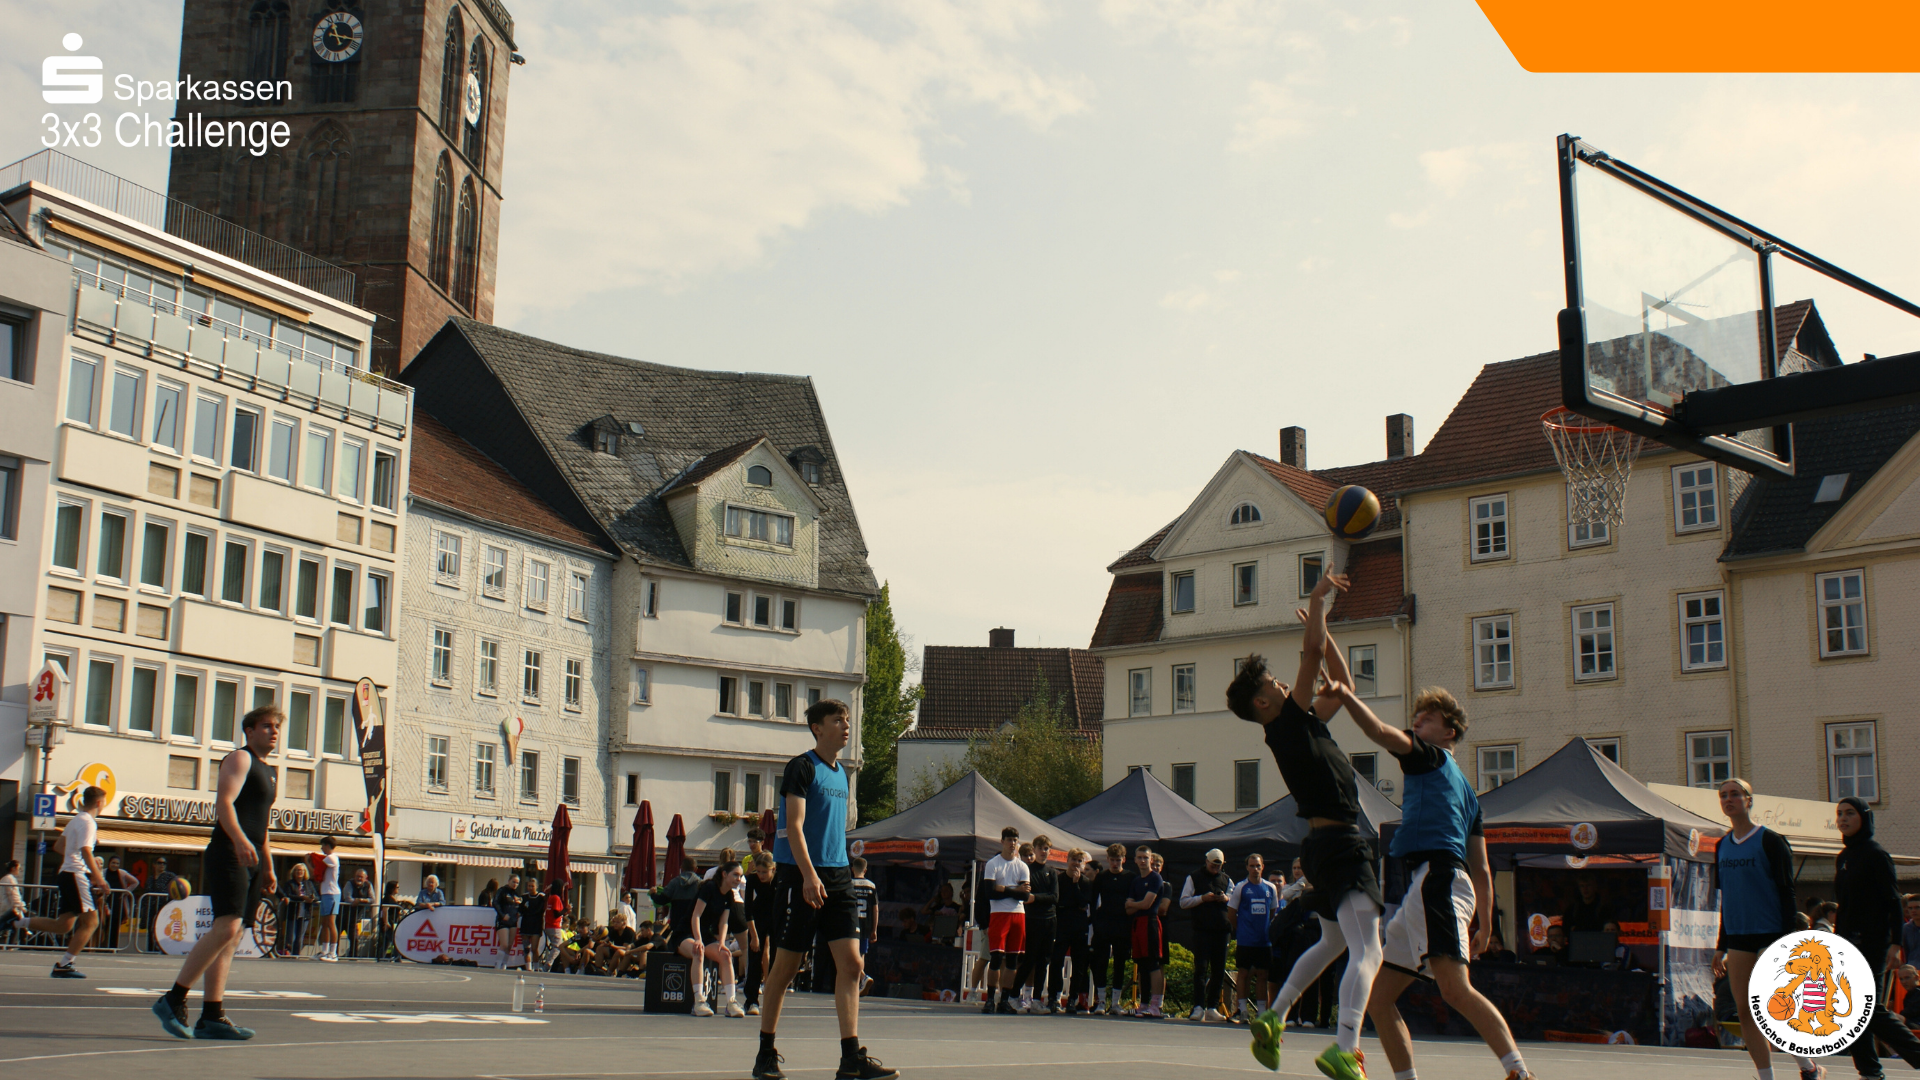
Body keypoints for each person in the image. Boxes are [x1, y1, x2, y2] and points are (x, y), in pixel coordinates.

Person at [1330, 678, 1533, 1080]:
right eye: (1416, 716)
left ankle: (1519, 1072)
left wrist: (1346, 695)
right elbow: (1483, 868)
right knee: (1380, 998)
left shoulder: (1429, 757)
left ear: (1449, 732)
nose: (1418, 720)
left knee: (1455, 989)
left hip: (1438, 881)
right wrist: (1487, 921)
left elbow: (1377, 732)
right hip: (1425, 888)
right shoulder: (1470, 795)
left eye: (1428, 717)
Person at [1224, 569, 1379, 1080]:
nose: (1284, 683)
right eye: (1274, 683)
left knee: (1334, 942)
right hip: (1340, 843)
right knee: (1368, 950)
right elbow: (1309, 656)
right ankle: (1345, 1046)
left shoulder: (1303, 722)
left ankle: (1274, 1016)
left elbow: (1346, 685)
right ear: (1264, 703)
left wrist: (1326, 630)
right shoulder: (1286, 723)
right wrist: (1316, 602)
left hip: (1323, 843)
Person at [753, 698, 894, 1080]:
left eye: (847, 719)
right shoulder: (802, 767)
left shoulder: (842, 775)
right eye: (838, 720)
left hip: (839, 875)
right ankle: (765, 1053)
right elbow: (795, 827)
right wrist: (809, 875)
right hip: (801, 876)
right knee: (787, 966)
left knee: (852, 964)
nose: (846, 725)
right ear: (818, 727)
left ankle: (851, 1058)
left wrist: (833, 873)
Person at [148, 705, 281, 1039]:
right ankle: (173, 998)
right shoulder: (240, 759)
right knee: (228, 926)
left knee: (235, 936)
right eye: (266, 726)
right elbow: (224, 804)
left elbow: (262, 825)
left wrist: (268, 866)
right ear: (249, 731)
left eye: (277, 726)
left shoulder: (270, 771)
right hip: (228, 851)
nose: (274, 731)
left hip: (252, 856)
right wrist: (237, 840)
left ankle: (212, 1016)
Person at [1707, 777, 1822, 1080]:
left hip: (1771, 934)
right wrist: (1721, 945)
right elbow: (1726, 899)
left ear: (1749, 800)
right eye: (1723, 795)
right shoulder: (1721, 846)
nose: (1728, 799)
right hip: (1739, 936)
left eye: (1735, 794)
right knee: (1745, 1010)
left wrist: (1785, 941)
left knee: (1774, 1007)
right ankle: (1767, 1076)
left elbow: (1787, 893)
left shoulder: (1770, 840)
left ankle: (1808, 1067)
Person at [1834, 796, 1920, 1079]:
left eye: (1850, 813)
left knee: (1867, 1008)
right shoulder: (1843, 857)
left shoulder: (1875, 854)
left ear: (1864, 818)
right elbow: (1844, 906)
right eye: (1840, 814)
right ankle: (1869, 1071)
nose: (1843, 819)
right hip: (1847, 943)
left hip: (1873, 942)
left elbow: (1893, 902)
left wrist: (1895, 943)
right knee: (1851, 1011)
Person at [1, 786, 109, 978]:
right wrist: (99, 878)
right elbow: (86, 850)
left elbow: (59, 846)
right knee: (92, 922)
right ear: (100, 803)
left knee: (64, 925)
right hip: (76, 875)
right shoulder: (89, 822)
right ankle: (65, 964)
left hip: (66, 873)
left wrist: (71, 856)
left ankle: (17, 922)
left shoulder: (76, 819)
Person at [982, 826, 1031, 1015]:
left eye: (1015, 840)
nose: (1012, 844)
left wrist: (1004, 889)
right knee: (995, 958)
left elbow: (1025, 897)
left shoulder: (1022, 866)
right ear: (1002, 841)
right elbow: (990, 893)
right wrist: (1014, 891)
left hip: (1018, 915)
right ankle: (989, 999)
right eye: (1009, 840)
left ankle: (1005, 999)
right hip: (999, 915)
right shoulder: (993, 864)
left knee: (1012, 959)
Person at [686, 861, 745, 1015]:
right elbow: (696, 916)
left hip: (706, 935)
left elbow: (724, 922)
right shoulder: (709, 888)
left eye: (741, 876)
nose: (739, 879)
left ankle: (731, 1003)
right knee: (698, 951)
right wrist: (698, 939)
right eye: (735, 875)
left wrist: (721, 942)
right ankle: (699, 1002)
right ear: (725, 874)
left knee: (726, 955)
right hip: (686, 933)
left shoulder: (730, 895)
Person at [1180, 848, 1233, 1022]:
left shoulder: (1227, 880)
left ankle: (1212, 1007)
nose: (1216, 867)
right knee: (1201, 969)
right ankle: (1198, 1006)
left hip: (1221, 930)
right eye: (1213, 864)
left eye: (1219, 864)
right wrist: (1202, 898)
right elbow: (1183, 901)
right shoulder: (1194, 877)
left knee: (1218, 970)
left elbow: (1235, 900)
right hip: (1202, 930)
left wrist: (1225, 899)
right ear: (1206, 861)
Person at [1228, 853, 1276, 1022]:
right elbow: (1232, 912)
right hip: (1245, 940)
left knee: (1263, 974)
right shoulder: (1242, 887)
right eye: (1252, 865)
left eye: (1258, 865)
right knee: (1243, 973)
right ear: (1247, 867)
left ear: (1263, 867)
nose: (1255, 869)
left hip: (1264, 940)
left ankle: (1262, 1011)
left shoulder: (1270, 888)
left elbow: (1272, 912)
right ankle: (1242, 1010)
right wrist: (1241, 929)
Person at [1015, 837, 1060, 1013]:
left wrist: (1036, 898)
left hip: (1050, 920)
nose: (1043, 851)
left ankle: (1036, 999)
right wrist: (1036, 898)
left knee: (1043, 962)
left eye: (1047, 848)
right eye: (1040, 848)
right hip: (1032, 920)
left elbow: (1054, 898)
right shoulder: (1027, 870)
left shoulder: (1052, 872)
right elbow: (1025, 896)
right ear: (1034, 849)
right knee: (1028, 961)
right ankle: (1013, 996)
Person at [1090, 843, 1133, 1015]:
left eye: (1118, 860)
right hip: (1104, 924)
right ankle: (1101, 1001)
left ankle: (1115, 1003)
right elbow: (1093, 901)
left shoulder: (1130, 877)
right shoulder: (1102, 877)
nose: (1115, 863)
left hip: (1122, 924)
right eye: (1112, 860)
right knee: (1100, 963)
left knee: (1120, 964)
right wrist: (1095, 922)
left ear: (1124, 859)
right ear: (1107, 860)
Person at [1123, 845, 1167, 1017]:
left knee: (1153, 964)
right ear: (1135, 860)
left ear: (1151, 859)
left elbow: (1146, 904)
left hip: (1150, 922)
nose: (1142, 860)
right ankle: (1144, 1003)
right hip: (1137, 924)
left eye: (1145, 857)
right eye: (1139, 857)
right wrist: (1135, 905)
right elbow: (1127, 910)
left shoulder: (1155, 878)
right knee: (1141, 965)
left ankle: (1156, 1005)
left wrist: (1134, 904)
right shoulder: (1136, 881)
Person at [1054, 848, 1095, 1014]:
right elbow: (1058, 902)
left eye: (1080, 861)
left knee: (1079, 965)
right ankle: (1054, 997)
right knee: (1057, 962)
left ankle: (1072, 999)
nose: (1076, 864)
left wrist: (1076, 885)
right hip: (1062, 925)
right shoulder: (1059, 879)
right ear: (1067, 860)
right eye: (1074, 860)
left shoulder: (1085, 882)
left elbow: (1084, 903)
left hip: (1079, 926)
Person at [745, 852, 778, 1013]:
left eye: (764, 872)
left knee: (777, 960)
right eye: (758, 871)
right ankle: (752, 1000)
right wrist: (754, 936)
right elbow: (748, 910)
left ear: (773, 869)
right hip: (758, 918)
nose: (761, 875)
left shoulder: (780, 881)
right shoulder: (752, 879)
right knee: (755, 959)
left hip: (776, 918)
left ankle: (773, 999)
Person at [312, 836, 343, 962]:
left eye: (323, 845)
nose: (321, 848)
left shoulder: (332, 858)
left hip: (332, 893)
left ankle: (333, 952)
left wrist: (310, 860)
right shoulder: (328, 858)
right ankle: (324, 951)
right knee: (324, 923)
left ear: (327, 845)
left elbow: (318, 865)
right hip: (325, 893)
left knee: (331, 923)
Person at [277, 861, 317, 958]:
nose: (300, 872)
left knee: (300, 937)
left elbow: (317, 896)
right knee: (291, 937)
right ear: (294, 872)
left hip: (305, 914)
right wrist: (303, 898)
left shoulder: (309, 884)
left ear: (305, 872)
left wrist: (312, 898)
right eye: (298, 870)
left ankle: (296, 955)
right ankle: (288, 953)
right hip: (293, 913)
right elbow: (288, 895)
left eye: (302, 870)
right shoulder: (289, 884)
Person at [493, 875, 524, 969]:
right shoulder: (502, 891)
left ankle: (504, 964)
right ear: (509, 881)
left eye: (517, 883)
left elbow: (520, 907)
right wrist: (502, 915)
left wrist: (519, 912)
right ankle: (497, 964)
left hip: (513, 921)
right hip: (502, 921)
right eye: (513, 882)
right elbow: (495, 903)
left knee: (510, 945)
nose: (515, 884)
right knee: (504, 944)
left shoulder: (517, 894)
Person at [343, 867, 373, 959]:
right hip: (343, 914)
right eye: (357, 876)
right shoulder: (349, 883)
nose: (359, 878)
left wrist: (360, 900)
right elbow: (347, 898)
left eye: (361, 877)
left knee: (354, 938)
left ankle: (353, 956)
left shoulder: (368, 885)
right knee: (336, 937)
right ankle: (333, 954)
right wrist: (355, 901)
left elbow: (372, 899)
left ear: (365, 878)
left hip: (354, 916)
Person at [541, 879, 570, 971]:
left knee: (553, 946)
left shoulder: (550, 897)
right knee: (558, 947)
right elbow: (556, 913)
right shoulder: (556, 898)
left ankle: (548, 964)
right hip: (555, 926)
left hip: (548, 925)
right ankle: (547, 965)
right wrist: (566, 909)